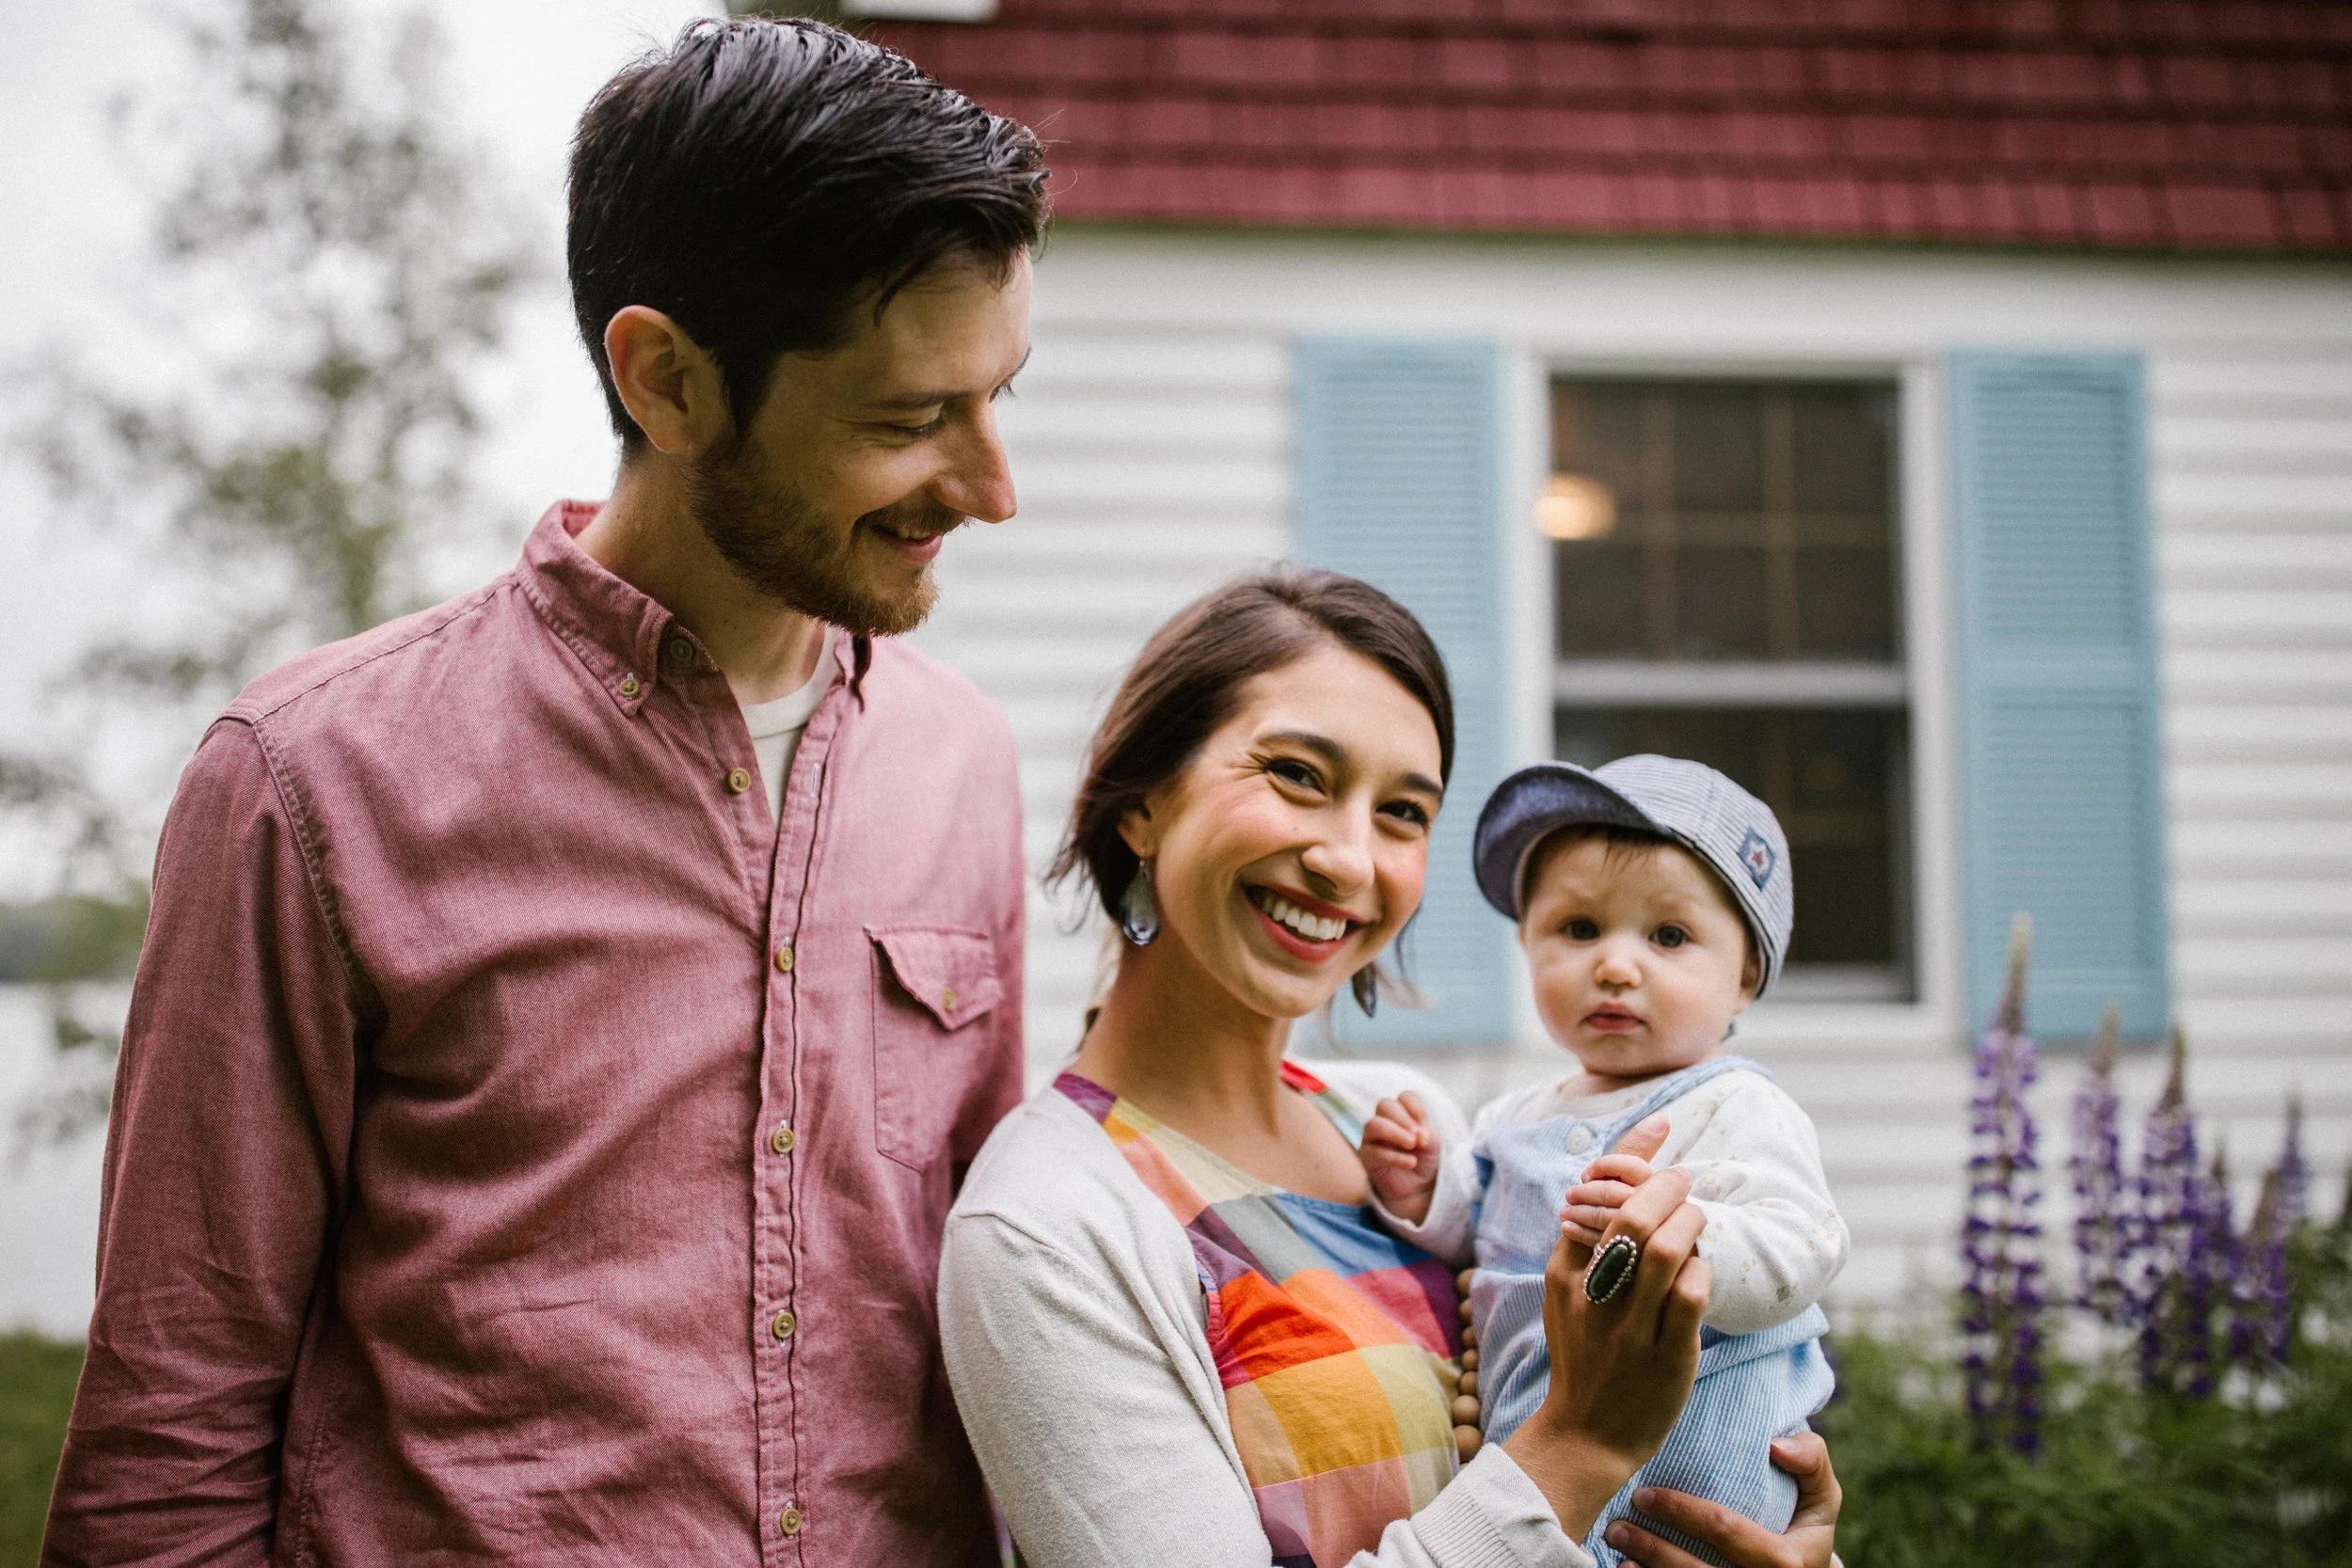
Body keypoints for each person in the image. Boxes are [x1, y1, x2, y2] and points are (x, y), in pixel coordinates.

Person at [44, 19, 1045, 1565]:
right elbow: (170, 1425)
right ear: (666, 379)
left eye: (1001, 395)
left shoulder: (965, 763)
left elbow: (989, 1299)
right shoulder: (311, 780)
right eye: (909, 418)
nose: (994, 490)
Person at [940, 576, 1843, 1568]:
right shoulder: (1048, 1227)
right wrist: (1579, 1443)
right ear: (1142, 802)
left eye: (1403, 812)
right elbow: (1563, 1442)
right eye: (1295, 774)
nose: (1348, 859)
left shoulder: (1395, 1129)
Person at [1360, 757, 1847, 1568]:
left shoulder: (1738, 1107)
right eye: (1580, 929)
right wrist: (1424, 1187)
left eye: (1669, 936)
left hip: (1701, 1489)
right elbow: (1470, 1232)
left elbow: (1804, 1245)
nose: (1616, 965)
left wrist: (1686, 1239)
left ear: (1746, 976)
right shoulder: (1512, 1118)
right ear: (1527, 943)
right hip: (1544, 1494)